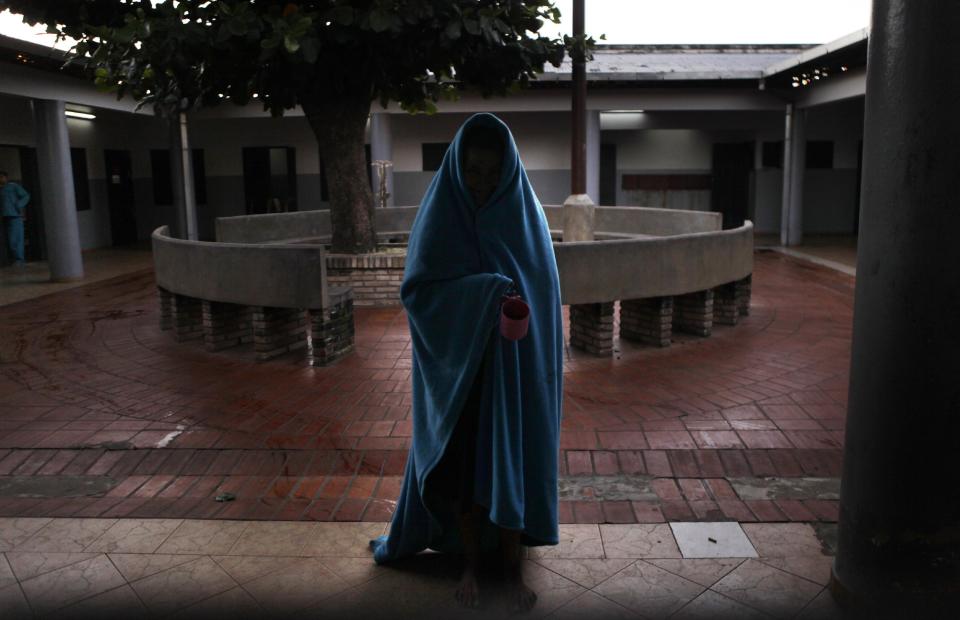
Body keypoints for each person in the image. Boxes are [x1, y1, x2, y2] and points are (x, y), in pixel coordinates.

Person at [369, 113, 564, 613]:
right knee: (465, 471)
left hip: (515, 378)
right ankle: (472, 565)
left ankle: (513, 566)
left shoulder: (525, 218)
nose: (482, 184)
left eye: (492, 173)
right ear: (457, 167)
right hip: (463, 378)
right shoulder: (442, 215)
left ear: (508, 171)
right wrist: (488, 293)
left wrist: (509, 302)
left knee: (513, 460)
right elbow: (419, 292)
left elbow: (541, 296)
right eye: (473, 171)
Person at [0, 170, 30, 267]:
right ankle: (10, 260)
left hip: (14, 216)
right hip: (3, 217)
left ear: (6, 177)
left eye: (2, 177)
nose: (1, 179)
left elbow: (26, 195)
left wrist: (19, 205)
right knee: (8, 240)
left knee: (16, 239)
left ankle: (19, 259)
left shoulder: (13, 186)